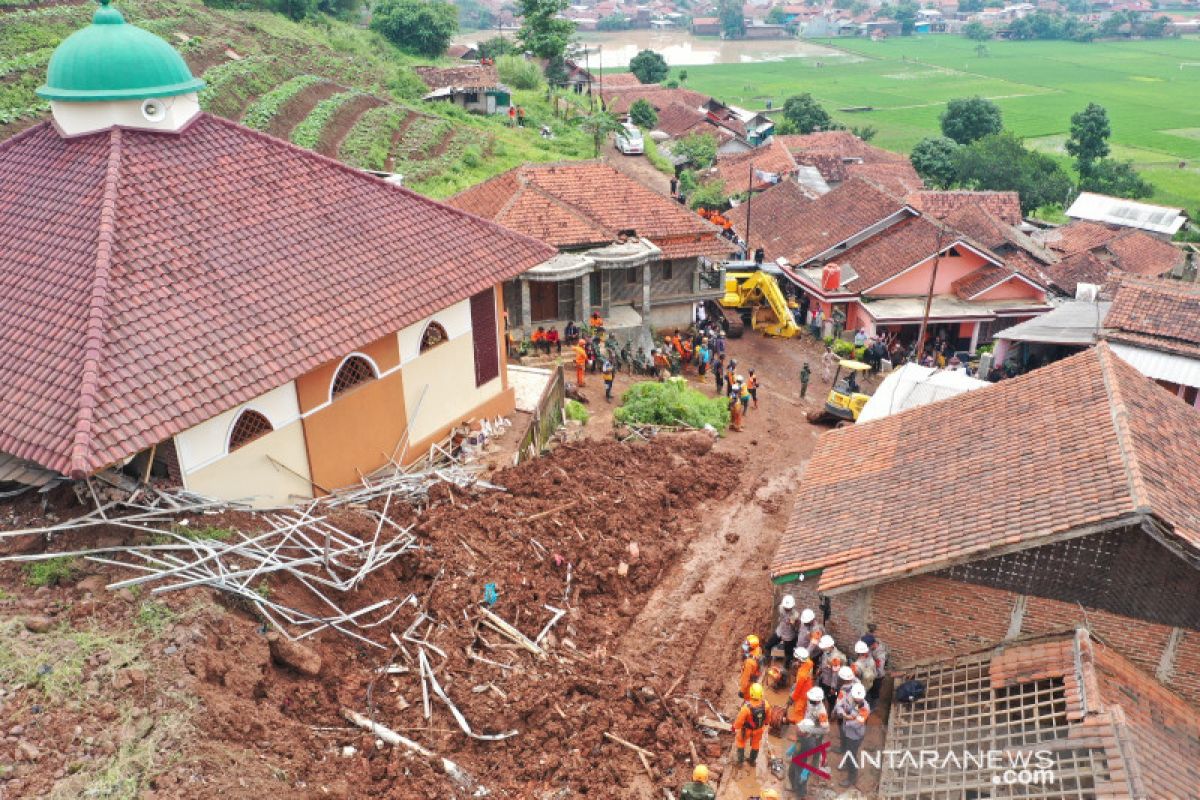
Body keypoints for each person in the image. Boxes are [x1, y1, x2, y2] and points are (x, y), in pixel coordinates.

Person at [835, 683, 870, 788]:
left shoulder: (864, 708)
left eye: (858, 698)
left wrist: (848, 720)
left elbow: (858, 723)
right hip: (847, 732)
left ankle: (852, 777)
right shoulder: (849, 697)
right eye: (855, 698)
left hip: (855, 736)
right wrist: (843, 714)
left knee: (851, 756)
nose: (856, 699)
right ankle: (847, 765)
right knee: (847, 751)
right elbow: (839, 705)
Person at [733, 683, 770, 768]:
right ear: (761, 694)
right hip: (759, 729)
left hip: (746, 730)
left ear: (751, 693)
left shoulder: (746, 708)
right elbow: (768, 719)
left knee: (740, 742)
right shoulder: (766, 705)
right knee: (756, 744)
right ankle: (752, 761)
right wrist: (766, 723)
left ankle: (740, 762)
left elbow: (739, 722)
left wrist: (734, 727)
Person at [789, 717, 826, 798]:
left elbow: (809, 761)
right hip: (795, 758)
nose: (797, 729)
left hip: (803, 765)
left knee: (800, 781)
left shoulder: (811, 744)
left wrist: (805, 773)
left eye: (799, 729)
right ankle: (794, 788)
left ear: (806, 732)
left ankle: (801, 795)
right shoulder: (800, 734)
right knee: (791, 774)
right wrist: (792, 749)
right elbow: (797, 742)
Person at [764, 595, 801, 674]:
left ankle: (786, 669)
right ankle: (767, 661)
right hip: (780, 632)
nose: (787, 609)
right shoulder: (780, 608)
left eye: (788, 608)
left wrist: (793, 624)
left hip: (789, 636)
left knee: (788, 654)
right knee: (768, 646)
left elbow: (797, 628)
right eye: (786, 608)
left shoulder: (795, 615)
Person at [786, 646, 816, 725]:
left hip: (802, 695)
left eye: (797, 659)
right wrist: (799, 665)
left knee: (798, 711)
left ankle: (799, 733)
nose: (795, 660)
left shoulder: (802, 675)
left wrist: (792, 698)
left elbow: (798, 689)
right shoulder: (809, 662)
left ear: (800, 660)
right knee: (803, 710)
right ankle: (796, 719)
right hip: (808, 691)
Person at [816, 635, 846, 705]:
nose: (822, 649)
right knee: (822, 693)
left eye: (824, 647)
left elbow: (835, 674)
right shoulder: (826, 652)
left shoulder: (835, 658)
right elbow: (823, 661)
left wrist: (833, 688)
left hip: (830, 683)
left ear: (829, 646)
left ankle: (831, 710)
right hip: (823, 678)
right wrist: (820, 669)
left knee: (832, 698)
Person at [863, 630, 888, 705]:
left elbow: (879, 670)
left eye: (867, 646)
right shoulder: (871, 648)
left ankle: (873, 705)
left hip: (877, 677)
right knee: (869, 689)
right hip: (871, 672)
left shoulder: (880, 656)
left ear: (872, 644)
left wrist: (871, 676)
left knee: (875, 692)